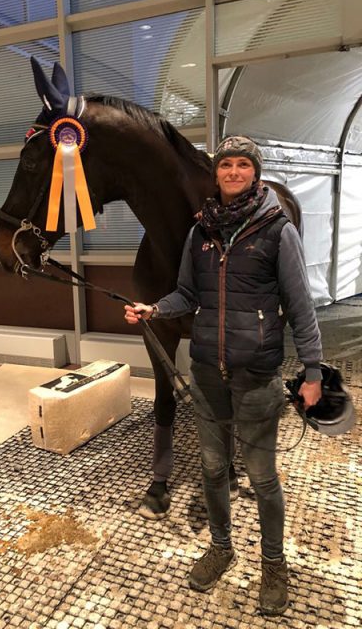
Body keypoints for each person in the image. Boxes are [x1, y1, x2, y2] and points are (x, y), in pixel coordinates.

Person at [124, 135, 322, 616]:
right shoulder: (200, 233)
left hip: (256, 373)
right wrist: (154, 309)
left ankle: (273, 565)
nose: (233, 172)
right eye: (226, 165)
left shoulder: (277, 230)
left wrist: (313, 370)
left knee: (261, 478)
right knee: (213, 469)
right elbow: (187, 294)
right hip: (207, 373)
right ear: (216, 174)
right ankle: (221, 545)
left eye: (242, 165)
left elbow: (300, 306)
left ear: (254, 173)